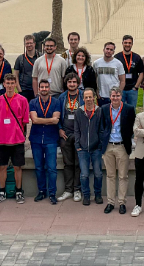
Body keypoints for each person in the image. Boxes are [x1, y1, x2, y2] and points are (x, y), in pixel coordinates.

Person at [0, 73, 29, 204]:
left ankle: (19, 191)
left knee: (18, 167)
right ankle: (2, 191)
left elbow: (24, 121)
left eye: (13, 83)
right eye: (8, 83)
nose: (10, 86)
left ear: (15, 85)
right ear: (4, 84)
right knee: (2, 167)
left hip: (17, 139)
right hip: (1, 140)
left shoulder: (23, 100)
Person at [99, 87, 136, 214]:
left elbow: (132, 126)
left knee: (123, 176)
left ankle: (122, 202)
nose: (115, 98)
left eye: (117, 95)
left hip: (122, 146)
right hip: (108, 146)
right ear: (110, 97)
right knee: (110, 175)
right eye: (113, 96)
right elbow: (101, 126)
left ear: (121, 97)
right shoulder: (104, 109)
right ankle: (110, 202)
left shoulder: (129, 109)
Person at [29, 78, 61, 205]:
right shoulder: (33, 102)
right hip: (36, 139)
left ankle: (52, 193)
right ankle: (42, 191)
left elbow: (56, 120)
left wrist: (41, 119)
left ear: (49, 89)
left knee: (52, 168)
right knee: (39, 167)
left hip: (51, 139)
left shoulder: (56, 102)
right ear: (38, 89)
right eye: (41, 87)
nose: (44, 89)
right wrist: (49, 120)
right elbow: (34, 120)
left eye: (46, 87)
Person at [74, 88, 103, 206]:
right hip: (83, 148)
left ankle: (98, 194)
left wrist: (100, 144)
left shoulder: (99, 111)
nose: (88, 99)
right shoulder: (79, 112)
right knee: (84, 174)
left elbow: (101, 129)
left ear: (94, 97)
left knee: (98, 173)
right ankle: (86, 195)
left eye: (90, 97)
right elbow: (76, 130)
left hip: (96, 148)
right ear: (83, 98)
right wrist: (77, 145)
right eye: (86, 97)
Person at [57, 73, 83, 202]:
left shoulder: (83, 96)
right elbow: (57, 115)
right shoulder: (62, 97)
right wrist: (60, 129)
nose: (72, 84)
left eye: (74, 82)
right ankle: (68, 190)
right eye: (69, 82)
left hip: (79, 135)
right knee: (68, 163)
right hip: (65, 134)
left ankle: (77, 190)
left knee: (78, 163)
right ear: (66, 84)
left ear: (78, 83)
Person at [115, 35, 144, 108]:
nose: (127, 45)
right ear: (122, 43)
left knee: (131, 111)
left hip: (132, 90)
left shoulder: (137, 57)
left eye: (129, 43)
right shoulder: (117, 57)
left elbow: (141, 73)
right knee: (120, 110)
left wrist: (136, 86)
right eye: (125, 42)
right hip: (120, 89)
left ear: (132, 44)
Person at [94, 42, 126, 108]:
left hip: (114, 96)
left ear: (113, 52)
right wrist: (97, 92)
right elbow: (94, 79)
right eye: (107, 49)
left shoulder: (118, 64)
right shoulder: (96, 63)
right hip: (101, 96)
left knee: (114, 115)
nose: (109, 51)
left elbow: (122, 80)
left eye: (111, 50)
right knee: (102, 116)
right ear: (103, 50)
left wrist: (118, 94)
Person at [13, 34, 39, 101]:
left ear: (34, 44)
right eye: (27, 43)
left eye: (31, 43)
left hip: (38, 89)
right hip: (24, 90)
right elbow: (15, 74)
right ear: (24, 45)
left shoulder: (41, 57)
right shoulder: (20, 59)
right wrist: (19, 89)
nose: (29, 45)